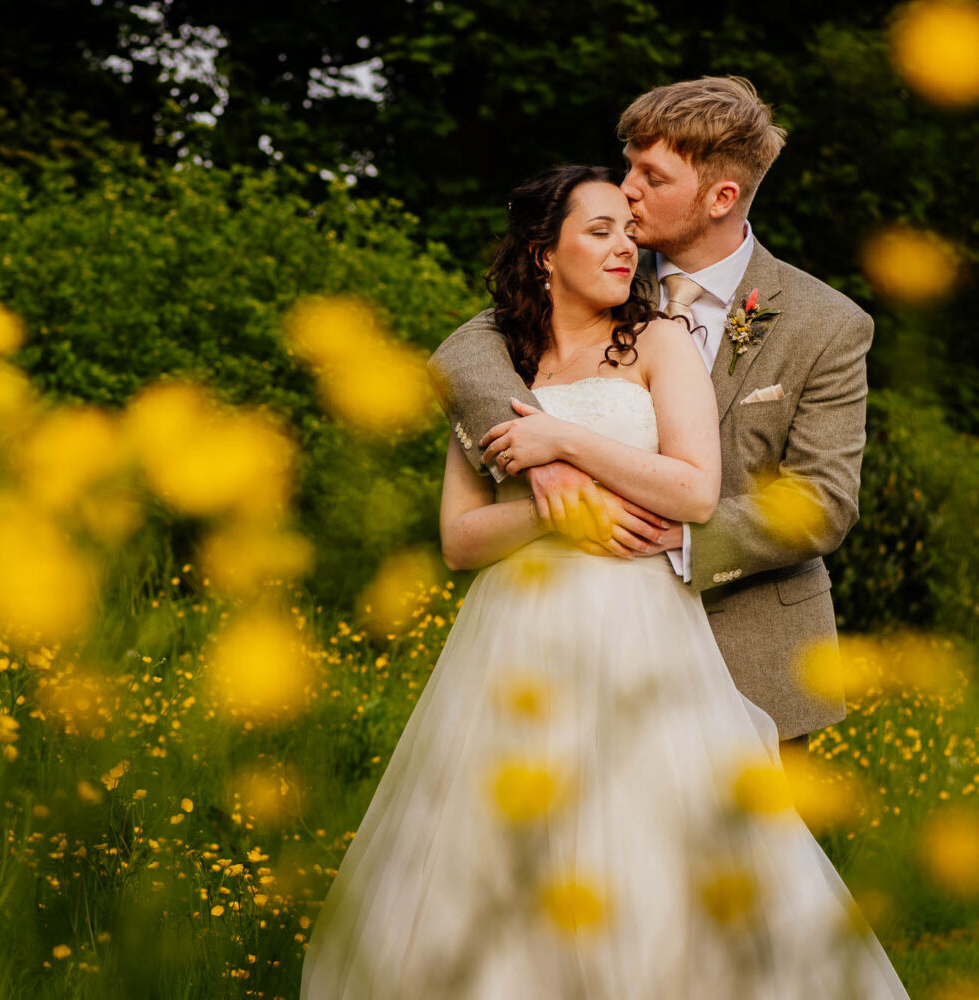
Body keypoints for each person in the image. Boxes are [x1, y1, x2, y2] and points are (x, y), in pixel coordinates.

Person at [297, 165, 908, 999]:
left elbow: (696, 489)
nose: (625, 243)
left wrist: (564, 444)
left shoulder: (660, 340)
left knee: (658, 838)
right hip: (515, 639)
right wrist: (555, 514)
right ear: (544, 255)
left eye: (630, 224)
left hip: (644, 624)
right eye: (601, 230)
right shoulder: (500, 367)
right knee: (505, 838)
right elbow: (460, 539)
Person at [427, 76, 872, 748]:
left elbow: (823, 501)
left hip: (754, 656)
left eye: (651, 176)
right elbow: (463, 353)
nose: (627, 188)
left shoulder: (826, 323)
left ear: (721, 197)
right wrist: (540, 463)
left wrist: (674, 532)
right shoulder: (599, 267)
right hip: (577, 651)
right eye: (628, 164)